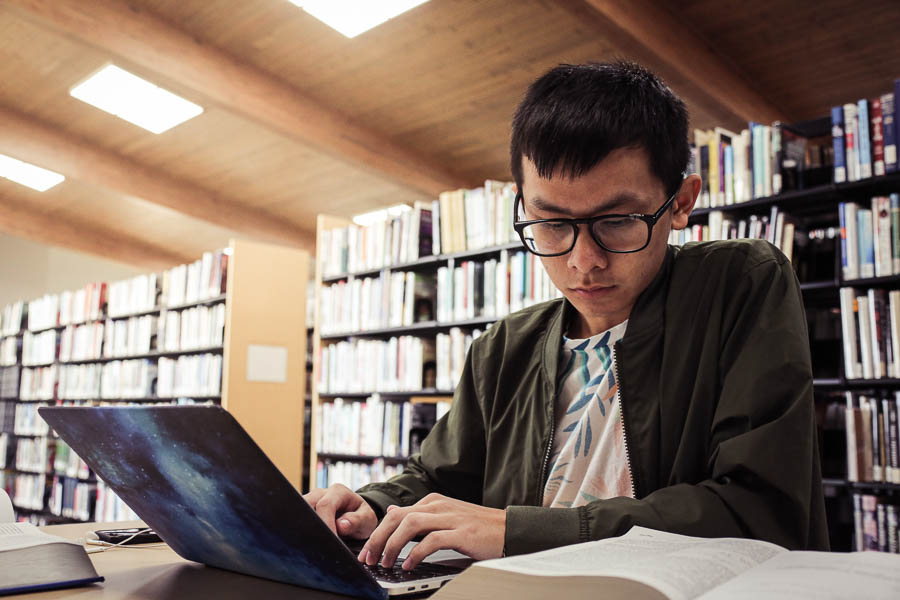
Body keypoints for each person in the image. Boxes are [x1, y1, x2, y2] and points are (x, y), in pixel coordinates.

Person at [303, 60, 829, 571]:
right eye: (551, 224)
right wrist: (372, 507)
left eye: (619, 221)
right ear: (524, 207)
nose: (583, 261)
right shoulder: (504, 346)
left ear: (680, 202)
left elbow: (759, 509)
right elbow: (439, 477)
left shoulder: (739, 284)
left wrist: (515, 531)